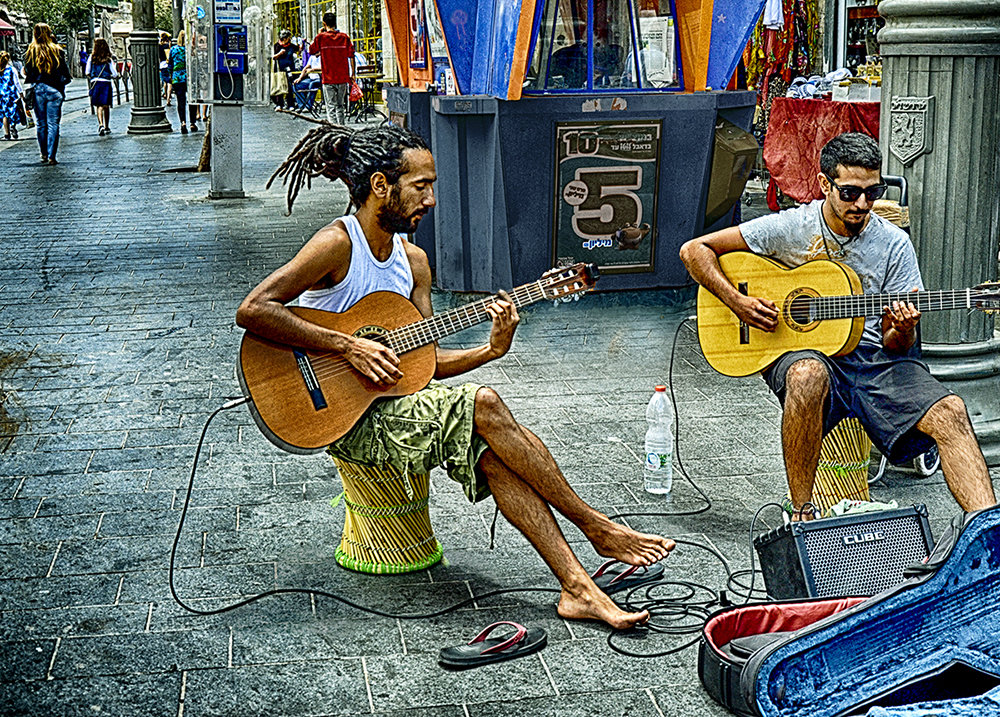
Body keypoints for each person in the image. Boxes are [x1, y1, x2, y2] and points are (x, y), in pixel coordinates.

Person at [238, 124, 675, 629]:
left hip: (394, 407)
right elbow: (254, 309)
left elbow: (424, 361)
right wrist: (347, 344)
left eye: (433, 186)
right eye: (420, 186)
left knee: (492, 456)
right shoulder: (337, 244)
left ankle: (577, 588)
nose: (431, 199)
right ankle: (595, 526)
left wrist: (489, 349)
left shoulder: (415, 263)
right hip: (338, 415)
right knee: (482, 404)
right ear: (381, 186)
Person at [679, 132, 997, 518]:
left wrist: (904, 328)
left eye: (872, 191)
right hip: (802, 349)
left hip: (874, 358)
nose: (863, 204)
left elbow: (895, 345)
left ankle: (989, 535)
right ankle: (801, 513)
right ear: (824, 184)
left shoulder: (893, 244)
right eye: (849, 193)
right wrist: (738, 301)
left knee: (951, 410)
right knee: (807, 374)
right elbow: (694, 251)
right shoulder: (792, 227)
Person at [24, 22, 71, 165]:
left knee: (41, 124)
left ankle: (43, 154)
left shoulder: (30, 51)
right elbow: (65, 73)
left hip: (38, 89)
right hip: (54, 90)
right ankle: (52, 156)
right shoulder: (57, 50)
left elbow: (27, 72)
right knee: (53, 124)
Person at [309, 13, 355, 124]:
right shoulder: (344, 37)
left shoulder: (321, 37)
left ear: (324, 24)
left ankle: (334, 130)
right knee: (340, 106)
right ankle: (342, 128)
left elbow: (311, 50)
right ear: (335, 23)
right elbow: (351, 56)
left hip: (328, 78)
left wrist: (320, 33)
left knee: (331, 107)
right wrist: (353, 73)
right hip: (342, 77)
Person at [86, 38, 117, 136]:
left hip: (96, 83)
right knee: (106, 105)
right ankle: (107, 126)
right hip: (106, 83)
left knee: (99, 106)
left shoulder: (92, 57)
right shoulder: (109, 59)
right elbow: (115, 73)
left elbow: (87, 71)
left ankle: (101, 124)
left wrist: (93, 76)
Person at [169, 31, 198, 134]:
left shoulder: (173, 49)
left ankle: (183, 123)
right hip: (190, 78)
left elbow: (170, 65)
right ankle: (192, 123)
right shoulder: (190, 49)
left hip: (177, 78)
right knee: (192, 100)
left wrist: (171, 78)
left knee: (180, 101)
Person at [271, 29, 299, 109]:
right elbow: (273, 57)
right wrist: (279, 53)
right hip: (280, 69)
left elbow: (298, 49)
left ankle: (291, 104)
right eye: (286, 38)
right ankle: (279, 104)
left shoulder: (291, 46)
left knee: (289, 86)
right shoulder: (277, 46)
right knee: (280, 86)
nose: (287, 40)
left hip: (290, 69)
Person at [0, 51, 20, 140]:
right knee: (13, 112)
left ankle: (7, 134)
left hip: (1, 96)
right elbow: (17, 83)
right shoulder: (12, 69)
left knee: (4, 114)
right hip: (11, 95)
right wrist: (21, 94)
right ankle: (13, 126)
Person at [158, 32, 172, 105]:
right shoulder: (167, 46)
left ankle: (165, 93)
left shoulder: (159, 46)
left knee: (165, 81)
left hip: (162, 65)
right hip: (167, 64)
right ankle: (168, 98)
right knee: (170, 82)